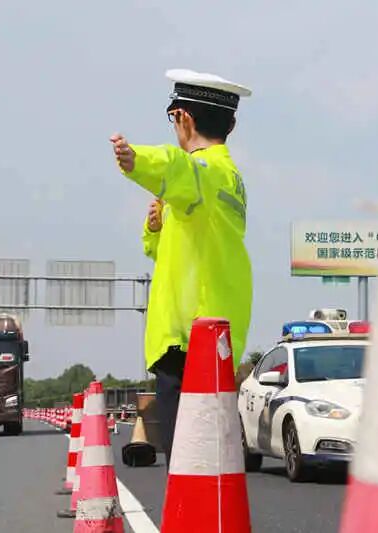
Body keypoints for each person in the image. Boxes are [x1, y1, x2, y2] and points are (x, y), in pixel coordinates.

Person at [110, 69, 253, 468]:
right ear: (232, 123)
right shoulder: (228, 180)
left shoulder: (204, 172)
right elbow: (176, 252)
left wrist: (136, 160)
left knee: (189, 465)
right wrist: (155, 229)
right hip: (211, 331)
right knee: (207, 463)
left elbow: (175, 165)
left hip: (188, 335)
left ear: (182, 119)